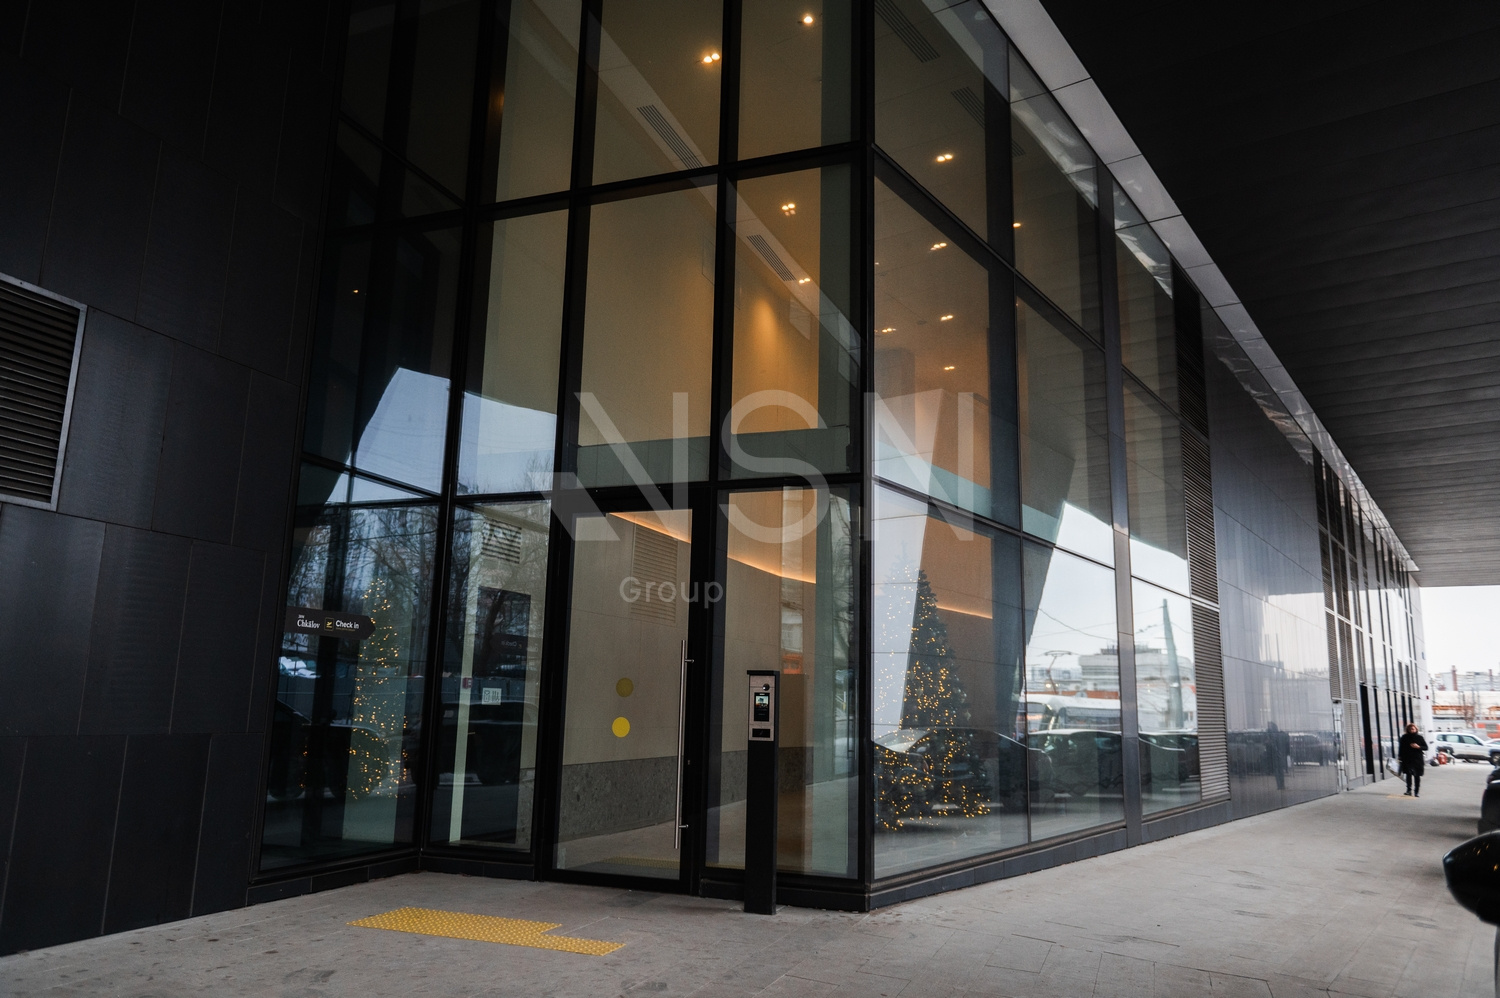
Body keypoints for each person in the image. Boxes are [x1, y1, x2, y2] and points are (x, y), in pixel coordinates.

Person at [1398, 723, 1428, 797]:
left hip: (1417, 759)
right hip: (1407, 758)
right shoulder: (1404, 737)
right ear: (1408, 730)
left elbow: (1426, 747)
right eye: (1410, 729)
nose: (1412, 730)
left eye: (1413, 729)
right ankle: (1408, 790)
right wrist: (1400, 756)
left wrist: (1418, 747)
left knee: (1417, 775)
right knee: (1408, 774)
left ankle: (1416, 791)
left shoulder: (1419, 737)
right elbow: (1401, 748)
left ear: (1416, 729)